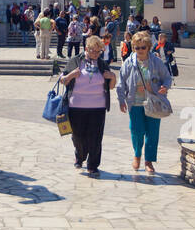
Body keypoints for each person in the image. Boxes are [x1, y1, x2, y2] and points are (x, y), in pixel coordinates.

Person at [116, 31, 171, 174]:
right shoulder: (129, 62)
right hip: (135, 103)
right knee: (137, 131)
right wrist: (121, 100)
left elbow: (167, 77)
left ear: (148, 47)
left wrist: (165, 87)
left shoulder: (156, 61)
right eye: (136, 47)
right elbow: (121, 82)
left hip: (153, 102)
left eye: (143, 47)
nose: (140, 50)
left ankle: (149, 161)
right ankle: (137, 155)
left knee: (152, 133)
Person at [61, 35, 115, 177]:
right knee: (77, 136)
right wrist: (71, 75)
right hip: (76, 106)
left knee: (95, 137)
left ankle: (93, 165)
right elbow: (63, 79)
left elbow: (112, 86)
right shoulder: (75, 61)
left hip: (98, 107)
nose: (95, 54)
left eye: (98, 52)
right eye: (93, 51)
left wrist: (113, 77)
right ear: (86, 49)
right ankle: (80, 155)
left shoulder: (102, 64)